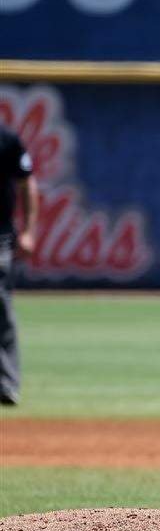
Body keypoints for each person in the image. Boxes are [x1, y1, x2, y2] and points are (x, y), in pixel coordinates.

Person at [0, 124, 39, 406]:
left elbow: (27, 183)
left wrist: (29, 231)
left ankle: (7, 384)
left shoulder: (7, 139)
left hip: (0, 237)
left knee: (0, 306)